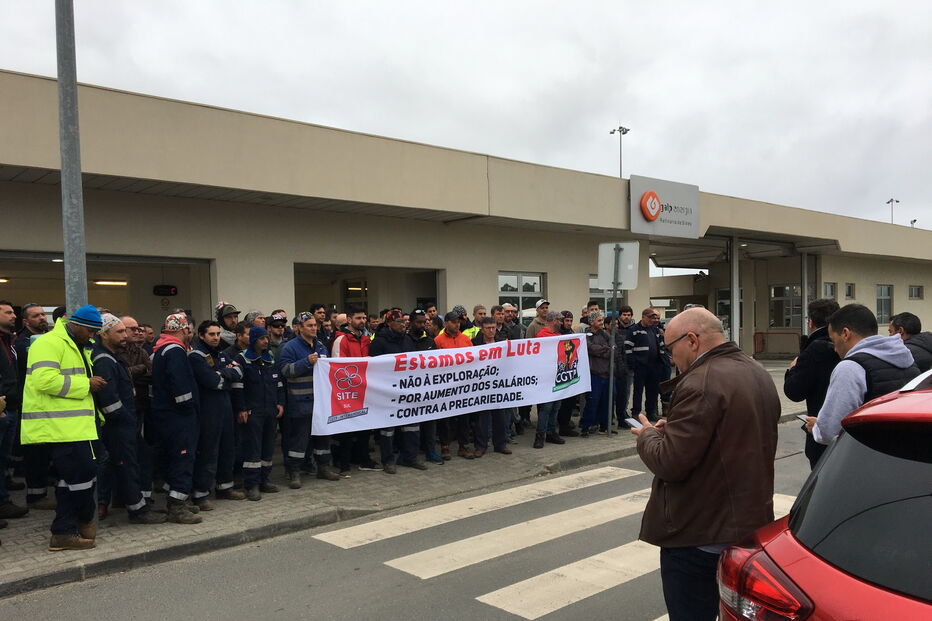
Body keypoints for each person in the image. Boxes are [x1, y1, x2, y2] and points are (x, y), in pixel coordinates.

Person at [632, 308, 780, 620]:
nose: (671, 358)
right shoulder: (755, 370)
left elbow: (670, 462)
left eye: (671, 348)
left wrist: (647, 436)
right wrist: (672, 431)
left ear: (692, 340)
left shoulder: (700, 381)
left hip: (698, 533)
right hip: (746, 525)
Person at [22, 305, 109, 550]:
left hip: (77, 425)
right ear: (77, 325)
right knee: (79, 477)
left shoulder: (78, 344)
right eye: (90, 331)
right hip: (61, 425)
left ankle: (69, 528)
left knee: (75, 478)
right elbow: (44, 380)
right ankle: (70, 527)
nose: (92, 336)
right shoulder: (49, 343)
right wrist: (86, 384)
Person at [805, 304, 920, 446]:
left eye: (833, 340)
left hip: (868, 456)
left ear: (845, 334)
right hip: (908, 455)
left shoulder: (850, 368)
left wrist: (817, 429)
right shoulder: (906, 358)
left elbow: (830, 432)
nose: (835, 348)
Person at [92, 314, 165, 524]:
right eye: (120, 332)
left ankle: (139, 504)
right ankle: (137, 512)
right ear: (104, 334)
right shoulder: (104, 360)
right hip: (118, 425)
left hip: (125, 422)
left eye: (126, 330)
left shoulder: (114, 356)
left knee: (138, 460)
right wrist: (125, 418)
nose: (126, 335)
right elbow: (109, 400)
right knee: (127, 465)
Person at [150, 312, 202, 524]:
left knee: (174, 458)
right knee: (183, 457)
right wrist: (189, 407)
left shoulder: (161, 349)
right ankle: (177, 507)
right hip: (179, 416)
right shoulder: (175, 351)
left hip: (166, 414)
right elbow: (180, 384)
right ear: (183, 330)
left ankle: (178, 498)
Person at [189, 321, 246, 509]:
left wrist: (223, 374)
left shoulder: (220, 354)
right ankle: (201, 494)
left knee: (227, 449)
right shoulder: (196, 356)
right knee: (208, 452)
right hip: (208, 412)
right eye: (211, 334)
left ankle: (225, 488)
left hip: (225, 408)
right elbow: (213, 382)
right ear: (201, 335)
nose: (216, 338)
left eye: (218, 334)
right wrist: (224, 377)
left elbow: (238, 371)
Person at [279, 312, 339, 486]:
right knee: (299, 440)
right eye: (309, 325)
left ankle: (323, 468)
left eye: (315, 325)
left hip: (321, 402)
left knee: (323, 436)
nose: (314, 328)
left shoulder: (320, 346)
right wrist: (305, 362)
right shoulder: (289, 347)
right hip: (300, 402)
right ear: (299, 328)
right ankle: (294, 473)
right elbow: (285, 371)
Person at [783, 298, 840, 469]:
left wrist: (792, 369)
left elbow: (794, 391)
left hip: (821, 430)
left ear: (810, 322)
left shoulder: (816, 348)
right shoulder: (846, 344)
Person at [369, 310, 428, 472]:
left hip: (407, 389)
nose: (404, 324)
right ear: (389, 323)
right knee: (388, 429)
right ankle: (388, 461)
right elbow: (374, 368)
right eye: (400, 322)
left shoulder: (408, 340)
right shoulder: (378, 343)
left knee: (412, 426)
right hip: (387, 392)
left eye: (404, 321)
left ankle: (409, 457)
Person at [234, 326, 284, 500]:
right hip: (252, 411)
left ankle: (264, 480)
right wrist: (241, 408)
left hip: (270, 410)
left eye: (266, 338)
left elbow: (278, 384)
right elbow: (238, 387)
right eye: (262, 338)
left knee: (268, 448)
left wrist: (280, 403)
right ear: (254, 340)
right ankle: (251, 485)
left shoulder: (269, 358)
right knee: (252, 450)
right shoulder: (242, 359)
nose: (266, 341)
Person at [330, 306, 380, 474]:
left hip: (364, 389)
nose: (363, 321)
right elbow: (338, 367)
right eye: (359, 318)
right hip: (347, 390)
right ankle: (343, 463)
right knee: (346, 428)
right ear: (349, 320)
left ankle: (363, 459)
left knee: (365, 427)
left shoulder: (366, 339)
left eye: (364, 318)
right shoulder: (341, 340)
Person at [13, 303, 53, 509]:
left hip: (47, 404)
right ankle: (36, 496)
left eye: (42, 315)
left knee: (45, 451)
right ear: (26, 321)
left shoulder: (47, 339)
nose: (42, 318)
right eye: (36, 316)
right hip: (31, 404)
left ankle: (42, 490)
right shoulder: (22, 344)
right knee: (35, 453)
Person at [115, 314, 155, 505]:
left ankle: (141, 494)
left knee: (141, 451)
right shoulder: (114, 352)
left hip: (140, 405)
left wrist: (132, 372)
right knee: (121, 454)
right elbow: (121, 376)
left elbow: (151, 373)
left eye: (137, 328)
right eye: (131, 329)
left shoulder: (141, 351)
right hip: (120, 410)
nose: (136, 332)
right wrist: (134, 372)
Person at [0, 301, 28, 523]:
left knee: (2, 457)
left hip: (11, 407)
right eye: (8, 312)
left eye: (13, 312)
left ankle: (3, 499)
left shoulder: (10, 341)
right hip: (1, 408)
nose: (13, 316)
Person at [435, 311, 476, 459]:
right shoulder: (438, 340)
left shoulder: (465, 339)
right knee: (445, 418)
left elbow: (474, 358)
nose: (457, 324)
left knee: (463, 418)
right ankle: (445, 447)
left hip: (463, 385)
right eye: (453, 322)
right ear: (446, 323)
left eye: (458, 321)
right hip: (446, 385)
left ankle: (463, 447)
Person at [471, 317, 512, 456]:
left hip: (498, 385)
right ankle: (481, 446)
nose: (491, 330)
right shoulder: (475, 344)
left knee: (500, 416)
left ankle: (500, 444)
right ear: (482, 329)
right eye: (488, 328)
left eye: (493, 327)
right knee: (482, 419)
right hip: (481, 386)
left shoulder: (502, 343)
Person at [532, 311, 565, 449]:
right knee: (546, 407)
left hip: (557, 375)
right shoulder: (542, 335)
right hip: (546, 377)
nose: (562, 323)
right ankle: (540, 435)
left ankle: (551, 432)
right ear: (553, 321)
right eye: (560, 320)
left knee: (556, 406)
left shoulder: (558, 336)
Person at [629, 307, 667, 422]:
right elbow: (628, 348)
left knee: (653, 390)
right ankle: (636, 413)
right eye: (650, 317)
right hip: (640, 366)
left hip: (654, 365)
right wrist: (634, 363)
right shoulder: (634, 329)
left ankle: (651, 412)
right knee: (638, 391)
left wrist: (662, 359)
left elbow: (661, 345)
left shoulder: (654, 329)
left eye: (654, 318)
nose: (652, 320)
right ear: (643, 317)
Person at [579, 311, 612, 437]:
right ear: (592, 322)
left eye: (602, 320)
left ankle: (604, 425)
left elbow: (613, 348)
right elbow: (590, 348)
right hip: (594, 373)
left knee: (605, 401)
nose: (602, 322)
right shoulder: (586, 335)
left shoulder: (605, 334)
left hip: (606, 373)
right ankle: (585, 426)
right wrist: (604, 349)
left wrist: (601, 350)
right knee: (592, 401)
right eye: (599, 320)